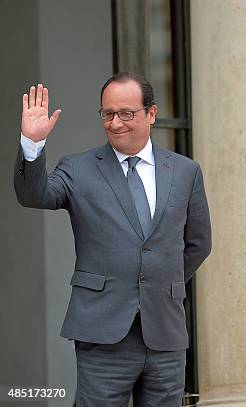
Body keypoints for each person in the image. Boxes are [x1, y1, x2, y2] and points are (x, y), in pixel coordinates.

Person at [13, 72, 212, 406]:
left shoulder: (184, 171)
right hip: (102, 333)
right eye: (108, 114)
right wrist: (32, 145)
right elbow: (35, 195)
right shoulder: (78, 168)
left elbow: (198, 243)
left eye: (126, 114)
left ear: (151, 113)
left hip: (164, 332)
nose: (116, 123)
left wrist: (158, 284)